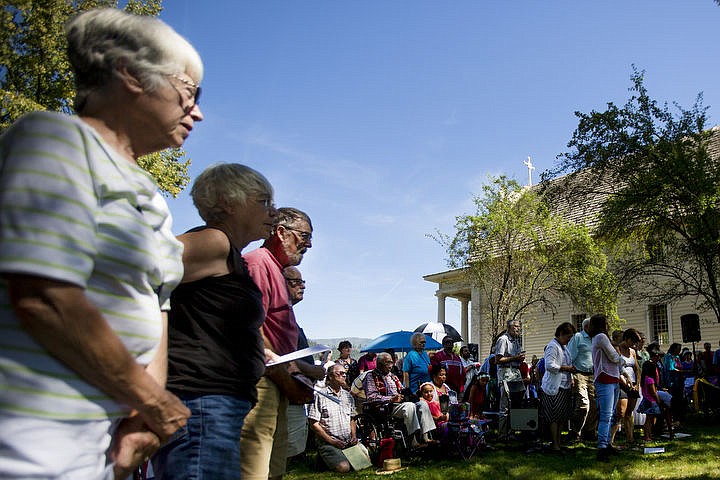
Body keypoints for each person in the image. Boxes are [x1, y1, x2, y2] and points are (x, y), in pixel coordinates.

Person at [0, 8, 202, 478]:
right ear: (131, 74)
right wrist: (155, 402)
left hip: (103, 439)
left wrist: (144, 422)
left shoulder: (151, 196)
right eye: (190, 91)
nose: (197, 110)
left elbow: (155, 309)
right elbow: (45, 297)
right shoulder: (53, 139)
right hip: (31, 434)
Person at [151, 164, 275, 478]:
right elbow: (141, 268)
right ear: (227, 203)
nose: (272, 212)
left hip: (214, 407)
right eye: (263, 202)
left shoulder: (230, 253)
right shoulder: (214, 242)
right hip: (201, 405)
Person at [241, 207, 324, 480]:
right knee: (254, 468)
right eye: (304, 236)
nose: (309, 244)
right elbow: (249, 327)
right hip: (262, 380)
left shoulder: (277, 269)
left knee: (275, 467)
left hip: (276, 381)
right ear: (280, 232)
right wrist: (285, 375)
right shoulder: (257, 263)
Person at [363, 352, 436, 446]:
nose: (391, 366)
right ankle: (413, 441)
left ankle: (426, 438)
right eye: (388, 363)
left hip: (399, 404)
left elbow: (402, 390)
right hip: (385, 407)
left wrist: (411, 395)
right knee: (409, 406)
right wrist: (391, 399)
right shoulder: (371, 376)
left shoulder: (393, 376)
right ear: (380, 364)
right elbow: (371, 397)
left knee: (422, 404)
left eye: (391, 362)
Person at [308, 364, 367, 473]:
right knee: (344, 467)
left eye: (345, 373)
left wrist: (354, 436)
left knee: (365, 462)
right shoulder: (320, 396)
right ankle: (323, 458)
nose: (343, 376)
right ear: (330, 377)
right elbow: (313, 423)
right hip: (329, 442)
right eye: (340, 373)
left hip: (348, 441)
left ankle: (340, 456)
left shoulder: (348, 396)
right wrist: (331, 441)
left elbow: (352, 419)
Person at [283, 266, 313, 462]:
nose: (301, 286)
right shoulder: (278, 317)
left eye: (303, 282)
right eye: (295, 282)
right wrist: (312, 369)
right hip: (287, 394)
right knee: (283, 454)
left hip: (297, 395)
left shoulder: (290, 316)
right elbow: (281, 359)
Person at [589, 314, 622, 461]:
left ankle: (608, 443)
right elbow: (614, 356)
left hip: (612, 378)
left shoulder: (601, 337)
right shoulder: (601, 337)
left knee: (610, 415)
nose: (609, 324)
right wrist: (623, 360)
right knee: (606, 416)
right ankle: (602, 447)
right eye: (607, 322)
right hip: (605, 378)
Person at [540, 322, 576, 453]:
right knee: (554, 416)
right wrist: (566, 369)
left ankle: (559, 443)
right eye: (568, 337)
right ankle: (554, 444)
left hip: (564, 385)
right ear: (561, 334)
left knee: (561, 417)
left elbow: (568, 362)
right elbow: (549, 365)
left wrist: (571, 378)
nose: (569, 340)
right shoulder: (552, 346)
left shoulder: (564, 347)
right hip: (554, 387)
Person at [609, 328, 642, 448]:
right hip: (622, 384)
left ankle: (630, 439)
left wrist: (637, 384)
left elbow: (637, 369)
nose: (633, 345)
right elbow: (617, 370)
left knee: (629, 413)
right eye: (632, 342)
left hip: (633, 384)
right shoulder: (617, 350)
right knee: (620, 413)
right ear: (627, 339)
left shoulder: (632, 352)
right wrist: (626, 386)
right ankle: (610, 441)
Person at [566, 317, 597, 443]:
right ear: (586, 327)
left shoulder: (595, 339)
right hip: (580, 374)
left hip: (593, 375)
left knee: (594, 406)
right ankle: (575, 431)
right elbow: (570, 357)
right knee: (583, 405)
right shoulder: (578, 337)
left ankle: (589, 432)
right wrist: (571, 376)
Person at [495, 320, 525, 440]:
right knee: (505, 405)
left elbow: (517, 358)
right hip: (505, 373)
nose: (518, 329)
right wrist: (515, 357)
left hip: (516, 373)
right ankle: (502, 434)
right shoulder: (503, 339)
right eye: (515, 326)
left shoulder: (516, 341)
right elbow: (498, 360)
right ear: (509, 328)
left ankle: (512, 432)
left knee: (516, 404)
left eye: (519, 326)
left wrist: (520, 358)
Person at [637, 344, 674, 442]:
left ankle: (649, 435)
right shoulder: (650, 380)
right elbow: (653, 392)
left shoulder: (645, 378)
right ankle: (647, 436)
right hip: (651, 400)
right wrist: (659, 402)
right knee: (649, 420)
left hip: (649, 399)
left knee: (650, 419)